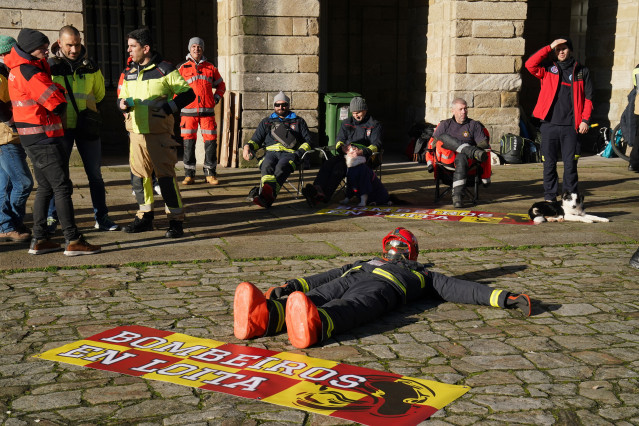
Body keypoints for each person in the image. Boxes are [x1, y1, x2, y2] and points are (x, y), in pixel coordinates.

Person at [233, 227, 532, 349]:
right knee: (324, 301)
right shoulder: (389, 266)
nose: (395, 251)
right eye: (394, 246)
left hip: (372, 284)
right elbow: (329, 275)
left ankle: (296, 321)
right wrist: (291, 285)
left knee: (335, 303)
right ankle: (272, 317)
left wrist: (504, 298)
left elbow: (462, 289)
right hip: (366, 282)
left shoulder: (420, 274)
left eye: (398, 247)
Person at [5, 28, 100, 256]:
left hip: (33, 138)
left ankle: (40, 238)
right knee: (61, 186)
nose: (46, 51)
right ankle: (73, 239)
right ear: (30, 49)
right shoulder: (29, 71)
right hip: (43, 138)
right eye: (42, 48)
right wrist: (57, 89)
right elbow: (57, 103)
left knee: (46, 187)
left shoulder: (20, 68)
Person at [117, 28, 195, 238]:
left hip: (160, 135)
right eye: (129, 46)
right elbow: (121, 96)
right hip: (136, 134)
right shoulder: (129, 72)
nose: (129, 50)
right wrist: (121, 104)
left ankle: (176, 221)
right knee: (139, 178)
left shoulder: (165, 69)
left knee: (166, 178)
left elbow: (188, 94)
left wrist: (168, 108)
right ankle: (145, 217)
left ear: (146, 48)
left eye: (133, 46)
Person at [47, 25, 119, 234]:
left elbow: (99, 94)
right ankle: (53, 218)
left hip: (86, 126)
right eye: (69, 45)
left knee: (95, 175)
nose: (74, 49)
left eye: (77, 44)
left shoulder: (91, 66)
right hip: (61, 127)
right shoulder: (50, 66)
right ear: (59, 43)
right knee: (58, 176)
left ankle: (101, 217)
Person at [525, 37, 593, 202]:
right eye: (557, 49)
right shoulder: (548, 68)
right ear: (554, 52)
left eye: (564, 48)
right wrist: (548, 47)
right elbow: (530, 64)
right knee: (549, 164)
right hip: (549, 125)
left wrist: (585, 120)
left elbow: (588, 98)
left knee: (570, 166)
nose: (561, 51)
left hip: (571, 126)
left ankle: (569, 199)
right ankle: (550, 198)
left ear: (570, 50)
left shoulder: (582, 71)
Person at [303, 96, 382, 207]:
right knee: (328, 163)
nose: (356, 115)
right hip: (347, 155)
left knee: (339, 168)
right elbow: (339, 140)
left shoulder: (374, 124)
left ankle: (325, 196)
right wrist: (342, 148)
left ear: (365, 110)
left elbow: (376, 145)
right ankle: (317, 189)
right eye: (354, 113)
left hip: (363, 158)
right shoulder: (346, 123)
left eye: (358, 112)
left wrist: (361, 152)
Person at [242, 91, 312, 208]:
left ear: (288, 105)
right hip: (270, 153)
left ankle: (266, 196)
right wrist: (247, 147)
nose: (281, 107)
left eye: (284, 104)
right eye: (277, 105)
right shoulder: (266, 122)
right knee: (267, 166)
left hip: (290, 154)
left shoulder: (298, 121)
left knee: (281, 167)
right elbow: (256, 140)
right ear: (274, 106)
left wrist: (299, 153)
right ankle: (268, 196)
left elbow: (308, 141)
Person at [425, 98, 491, 208]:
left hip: (466, 161)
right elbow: (433, 144)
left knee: (461, 156)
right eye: (460, 109)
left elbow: (483, 144)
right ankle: (467, 150)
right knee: (444, 138)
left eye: (465, 109)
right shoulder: (445, 124)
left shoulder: (474, 125)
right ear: (453, 111)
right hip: (447, 159)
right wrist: (454, 145)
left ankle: (457, 196)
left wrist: (466, 150)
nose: (463, 112)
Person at [177, 37, 226, 186]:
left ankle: (210, 174)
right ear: (189, 49)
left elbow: (221, 85)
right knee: (188, 143)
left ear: (202, 49)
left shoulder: (211, 68)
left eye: (199, 46)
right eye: (194, 46)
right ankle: (189, 175)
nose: (196, 49)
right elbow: (173, 88)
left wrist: (216, 98)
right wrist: (177, 103)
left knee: (210, 143)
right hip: (188, 113)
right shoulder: (182, 68)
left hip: (207, 113)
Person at [0, 35, 33, 243]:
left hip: (10, 136)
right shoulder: (2, 73)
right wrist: (12, 119)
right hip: (6, 136)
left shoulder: (7, 72)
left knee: (6, 185)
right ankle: (11, 223)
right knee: (24, 183)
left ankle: (6, 225)